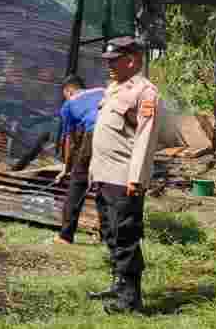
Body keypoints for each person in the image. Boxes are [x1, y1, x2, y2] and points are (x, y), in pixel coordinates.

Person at [86, 36, 163, 314]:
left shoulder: (145, 92)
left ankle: (130, 300)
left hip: (124, 178)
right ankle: (119, 284)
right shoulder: (114, 88)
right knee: (110, 233)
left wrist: (137, 178)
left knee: (125, 236)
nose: (109, 66)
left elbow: (145, 138)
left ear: (132, 60)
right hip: (105, 175)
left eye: (114, 61)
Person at [55, 75, 103, 244]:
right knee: (107, 182)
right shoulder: (101, 91)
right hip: (120, 134)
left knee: (78, 181)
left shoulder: (69, 104)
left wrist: (67, 167)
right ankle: (106, 234)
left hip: (96, 131)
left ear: (69, 90)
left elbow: (69, 139)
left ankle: (65, 235)